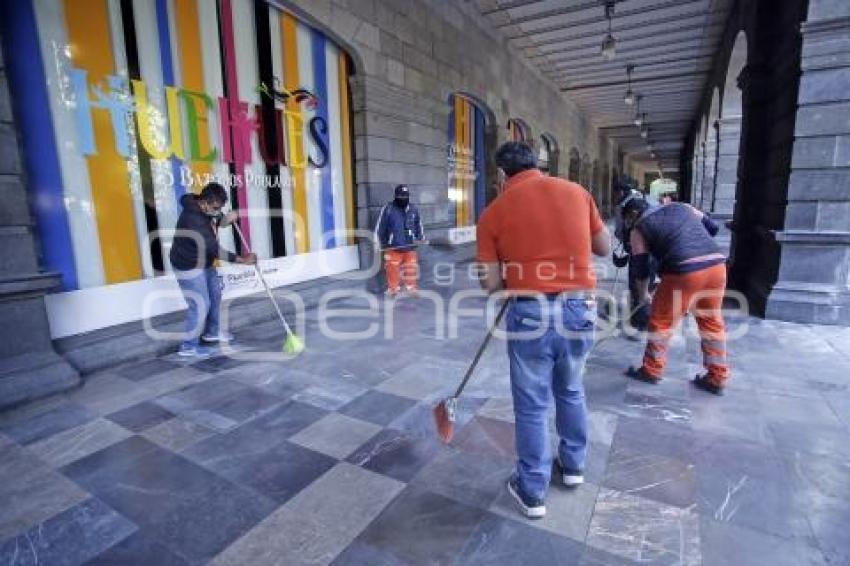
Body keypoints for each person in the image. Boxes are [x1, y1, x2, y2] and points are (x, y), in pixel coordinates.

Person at [477, 142, 610, 519]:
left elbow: (490, 284)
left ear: (503, 175)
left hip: (529, 311)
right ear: (538, 164)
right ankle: (573, 468)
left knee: (532, 404)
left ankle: (532, 490)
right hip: (579, 306)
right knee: (570, 389)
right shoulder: (577, 192)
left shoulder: (493, 213)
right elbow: (603, 246)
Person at [621, 198, 729, 395]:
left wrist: (644, 294)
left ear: (633, 214)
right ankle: (717, 377)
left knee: (661, 322)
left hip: (683, 270)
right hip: (716, 266)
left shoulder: (639, 228)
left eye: (627, 219)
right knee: (711, 321)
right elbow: (712, 228)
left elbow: (641, 268)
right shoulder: (681, 206)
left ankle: (651, 370)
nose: (627, 224)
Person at [170, 182, 256, 358]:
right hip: (189, 264)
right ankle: (188, 346)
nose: (218, 211)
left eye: (221, 208)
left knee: (215, 295)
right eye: (216, 208)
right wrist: (243, 260)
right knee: (200, 304)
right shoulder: (194, 221)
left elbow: (216, 220)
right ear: (205, 203)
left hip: (205, 261)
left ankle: (212, 332)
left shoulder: (202, 206)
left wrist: (225, 220)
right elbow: (216, 250)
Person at [374, 184, 425, 297]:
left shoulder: (413, 208)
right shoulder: (388, 209)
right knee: (392, 269)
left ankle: (411, 288)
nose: (404, 198)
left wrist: (420, 238)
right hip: (393, 246)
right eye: (401, 196)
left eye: (406, 196)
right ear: (396, 196)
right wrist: (378, 243)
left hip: (410, 245)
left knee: (411, 268)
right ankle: (393, 289)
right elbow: (380, 227)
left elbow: (418, 224)